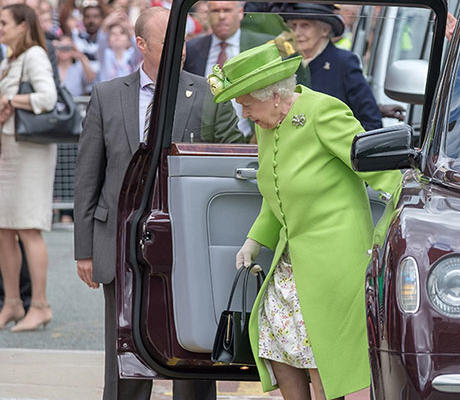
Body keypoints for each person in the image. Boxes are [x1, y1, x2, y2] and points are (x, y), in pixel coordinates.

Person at [206, 41, 401, 399]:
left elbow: (376, 165)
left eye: (247, 104)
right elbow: (275, 190)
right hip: (292, 255)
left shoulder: (322, 112)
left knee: (322, 355)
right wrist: (255, 241)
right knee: (275, 343)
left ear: (274, 96)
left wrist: (403, 210)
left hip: (335, 255)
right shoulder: (267, 126)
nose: (245, 114)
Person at [74, 7, 239, 400]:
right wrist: (84, 250)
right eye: (170, 42)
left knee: (192, 348)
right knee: (125, 349)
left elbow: (231, 160)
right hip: (120, 242)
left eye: (182, 40)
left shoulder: (208, 95)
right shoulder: (107, 95)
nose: (180, 50)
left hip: (188, 243)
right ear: (142, 45)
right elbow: (88, 177)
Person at [0, 3, 57, 332]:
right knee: (5, 229)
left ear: (23, 26)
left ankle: (40, 304)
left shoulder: (34, 55)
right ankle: (12, 302)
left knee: (28, 228)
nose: (1, 27)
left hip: (30, 154)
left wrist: (10, 101)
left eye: (5, 22)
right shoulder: (11, 60)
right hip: (10, 151)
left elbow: (47, 98)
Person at [283, 3, 383, 131]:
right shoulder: (287, 65)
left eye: (305, 26)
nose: (297, 33)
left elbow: (371, 122)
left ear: (325, 30)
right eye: (293, 26)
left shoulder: (344, 63)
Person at [184, 1, 273, 141]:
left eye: (227, 10)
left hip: (255, 139)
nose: (221, 16)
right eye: (215, 11)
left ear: (240, 13)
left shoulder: (262, 46)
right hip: (203, 143)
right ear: (207, 14)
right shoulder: (191, 50)